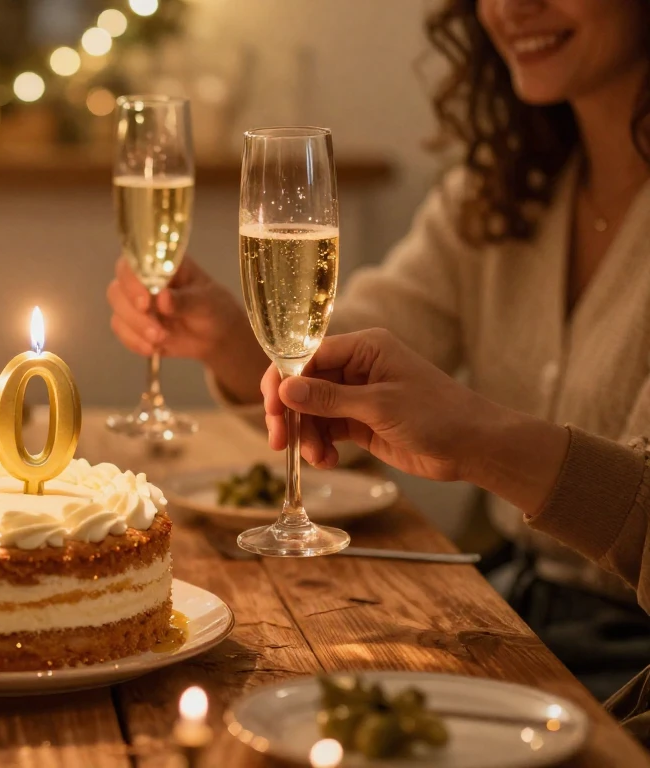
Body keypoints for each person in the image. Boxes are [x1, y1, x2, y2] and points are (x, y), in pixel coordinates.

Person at [107, 0, 650, 689]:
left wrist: (483, 441)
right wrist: (227, 334)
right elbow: (350, 350)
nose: (513, 6)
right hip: (510, 613)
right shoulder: (499, 190)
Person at [259, 327, 650, 740]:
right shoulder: (487, 257)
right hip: (520, 588)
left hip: (626, 638)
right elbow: (346, 388)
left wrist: (482, 440)